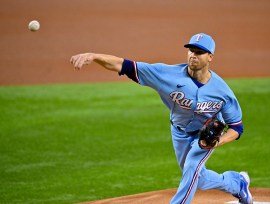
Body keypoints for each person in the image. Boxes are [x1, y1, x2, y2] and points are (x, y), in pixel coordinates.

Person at [70, 33, 253, 204]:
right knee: (199, 178)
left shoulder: (223, 92)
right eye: (191, 50)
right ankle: (237, 183)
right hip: (179, 132)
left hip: (206, 136)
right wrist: (93, 56)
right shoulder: (166, 75)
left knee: (191, 168)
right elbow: (123, 65)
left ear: (210, 57)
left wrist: (215, 142)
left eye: (199, 52)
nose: (193, 55)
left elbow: (237, 128)